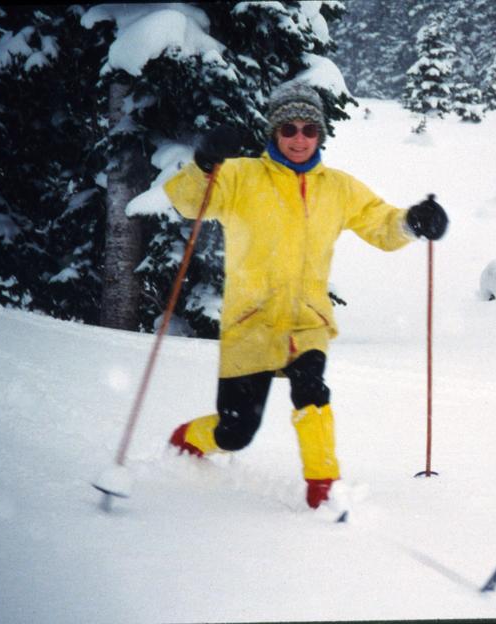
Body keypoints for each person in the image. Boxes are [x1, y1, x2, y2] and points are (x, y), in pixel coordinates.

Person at [164, 82, 448, 509]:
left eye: (310, 130)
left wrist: (413, 222)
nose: (299, 139)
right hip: (251, 324)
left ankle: (324, 486)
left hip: (307, 320)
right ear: (274, 132)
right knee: (235, 433)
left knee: (312, 393)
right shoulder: (240, 176)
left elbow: (381, 224)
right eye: (289, 129)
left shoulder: (337, 187)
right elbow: (190, 202)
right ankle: (188, 438)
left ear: (320, 134)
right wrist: (204, 163)